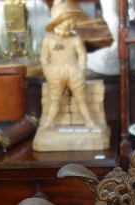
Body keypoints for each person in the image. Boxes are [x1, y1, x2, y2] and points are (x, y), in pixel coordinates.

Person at [39, 0, 98, 130]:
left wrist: (81, 69)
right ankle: (49, 122)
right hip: (56, 72)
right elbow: (44, 58)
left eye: (71, 20)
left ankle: (89, 121)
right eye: (68, 19)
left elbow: (82, 55)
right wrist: (47, 71)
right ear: (58, 21)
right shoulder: (48, 39)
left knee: (81, 98)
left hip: (74, 71)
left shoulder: (75, 39)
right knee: (54, 100)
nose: (71, 23)